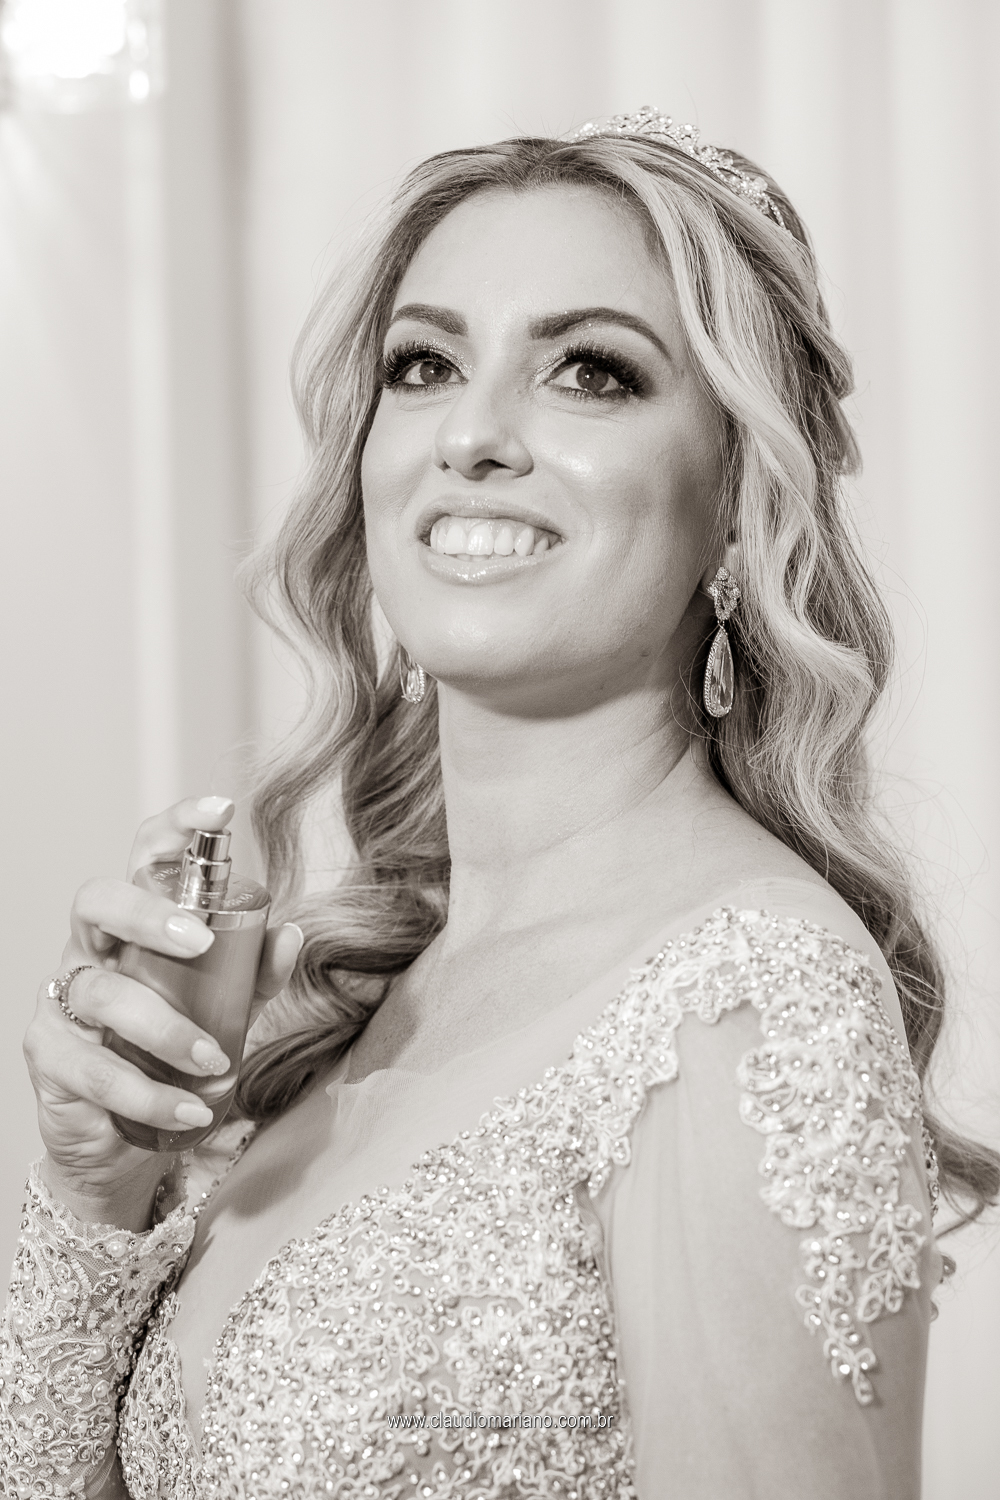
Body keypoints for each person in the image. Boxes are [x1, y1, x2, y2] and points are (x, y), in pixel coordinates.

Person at [2, 108, 996, 1500]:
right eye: (425, 365)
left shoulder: (752, 1003)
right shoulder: (359, 1008)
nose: (471, 434)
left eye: (592, 372)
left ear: (737, 497)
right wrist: (99, 1189)